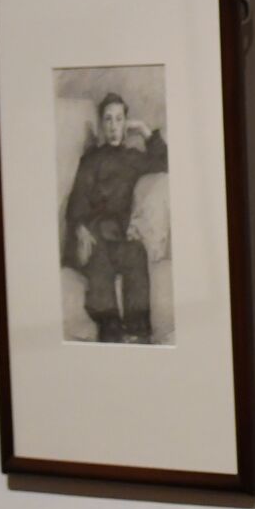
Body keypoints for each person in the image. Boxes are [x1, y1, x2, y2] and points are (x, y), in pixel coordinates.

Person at [63, 92, 167, 344]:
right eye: (108, 120)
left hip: (117, 238)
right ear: (101, 125)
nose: (113, 127)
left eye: (119, 119)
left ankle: (139, 330)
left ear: (125, 123)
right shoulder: (90, 160)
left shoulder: (132, 159)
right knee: (99, 257)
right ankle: (110, 331)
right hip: (89, 235)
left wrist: (143, 129)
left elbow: (165, 161)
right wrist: (79, 229)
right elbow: (76, 201)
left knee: (136, 252)